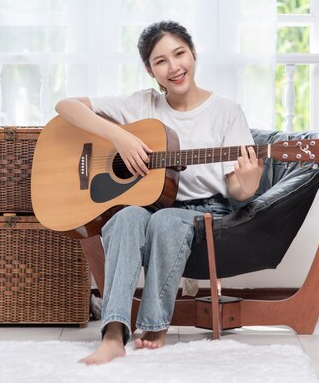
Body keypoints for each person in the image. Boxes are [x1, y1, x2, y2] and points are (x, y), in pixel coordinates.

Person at [55, 20, 263, 365]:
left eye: (180, 54)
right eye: (161, 61)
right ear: (150, 70)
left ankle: (155, 325)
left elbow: (238, 191)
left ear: (193, 53)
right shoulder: (143, 105)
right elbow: (66, 106)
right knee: (125, 218)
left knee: (167, 221)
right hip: (153, 204)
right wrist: (120, 137)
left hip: (204, 210)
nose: (174, 67)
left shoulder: (226, 111)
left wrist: (251, 180)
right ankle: (113, 332)